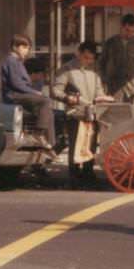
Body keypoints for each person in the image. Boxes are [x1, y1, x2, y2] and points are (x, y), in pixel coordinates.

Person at [52, 41, 114, 188]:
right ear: (78, 53)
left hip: (92, 112)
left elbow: (99, 91)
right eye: (86, 57)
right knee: (76, 145)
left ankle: (88, 175)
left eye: (91, 58)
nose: (89, 61)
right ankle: (74, 178)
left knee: (90, 145)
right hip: (75, 113)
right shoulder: (66, 69)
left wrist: (103, 98)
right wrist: (67, 98)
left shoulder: (94, 72)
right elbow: (55, 91)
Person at [1, 35, 56, 152]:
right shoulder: (11, 61)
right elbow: (16, 84)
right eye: (24, 47)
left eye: (28, 48)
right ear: (15, 47)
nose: (27, 50)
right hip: (14, 95)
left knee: (48, 111)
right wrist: (34, 92)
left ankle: (50, 143)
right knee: (46, 100)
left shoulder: (18, 62)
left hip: (21, 94)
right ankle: (39, 134)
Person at [100, 13, 134, 100]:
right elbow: (102, 64)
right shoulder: (110, 43)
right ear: (121, 27)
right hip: (114, 87)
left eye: (133, 31)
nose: (130, 34)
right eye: (127, 30)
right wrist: (103, 82)